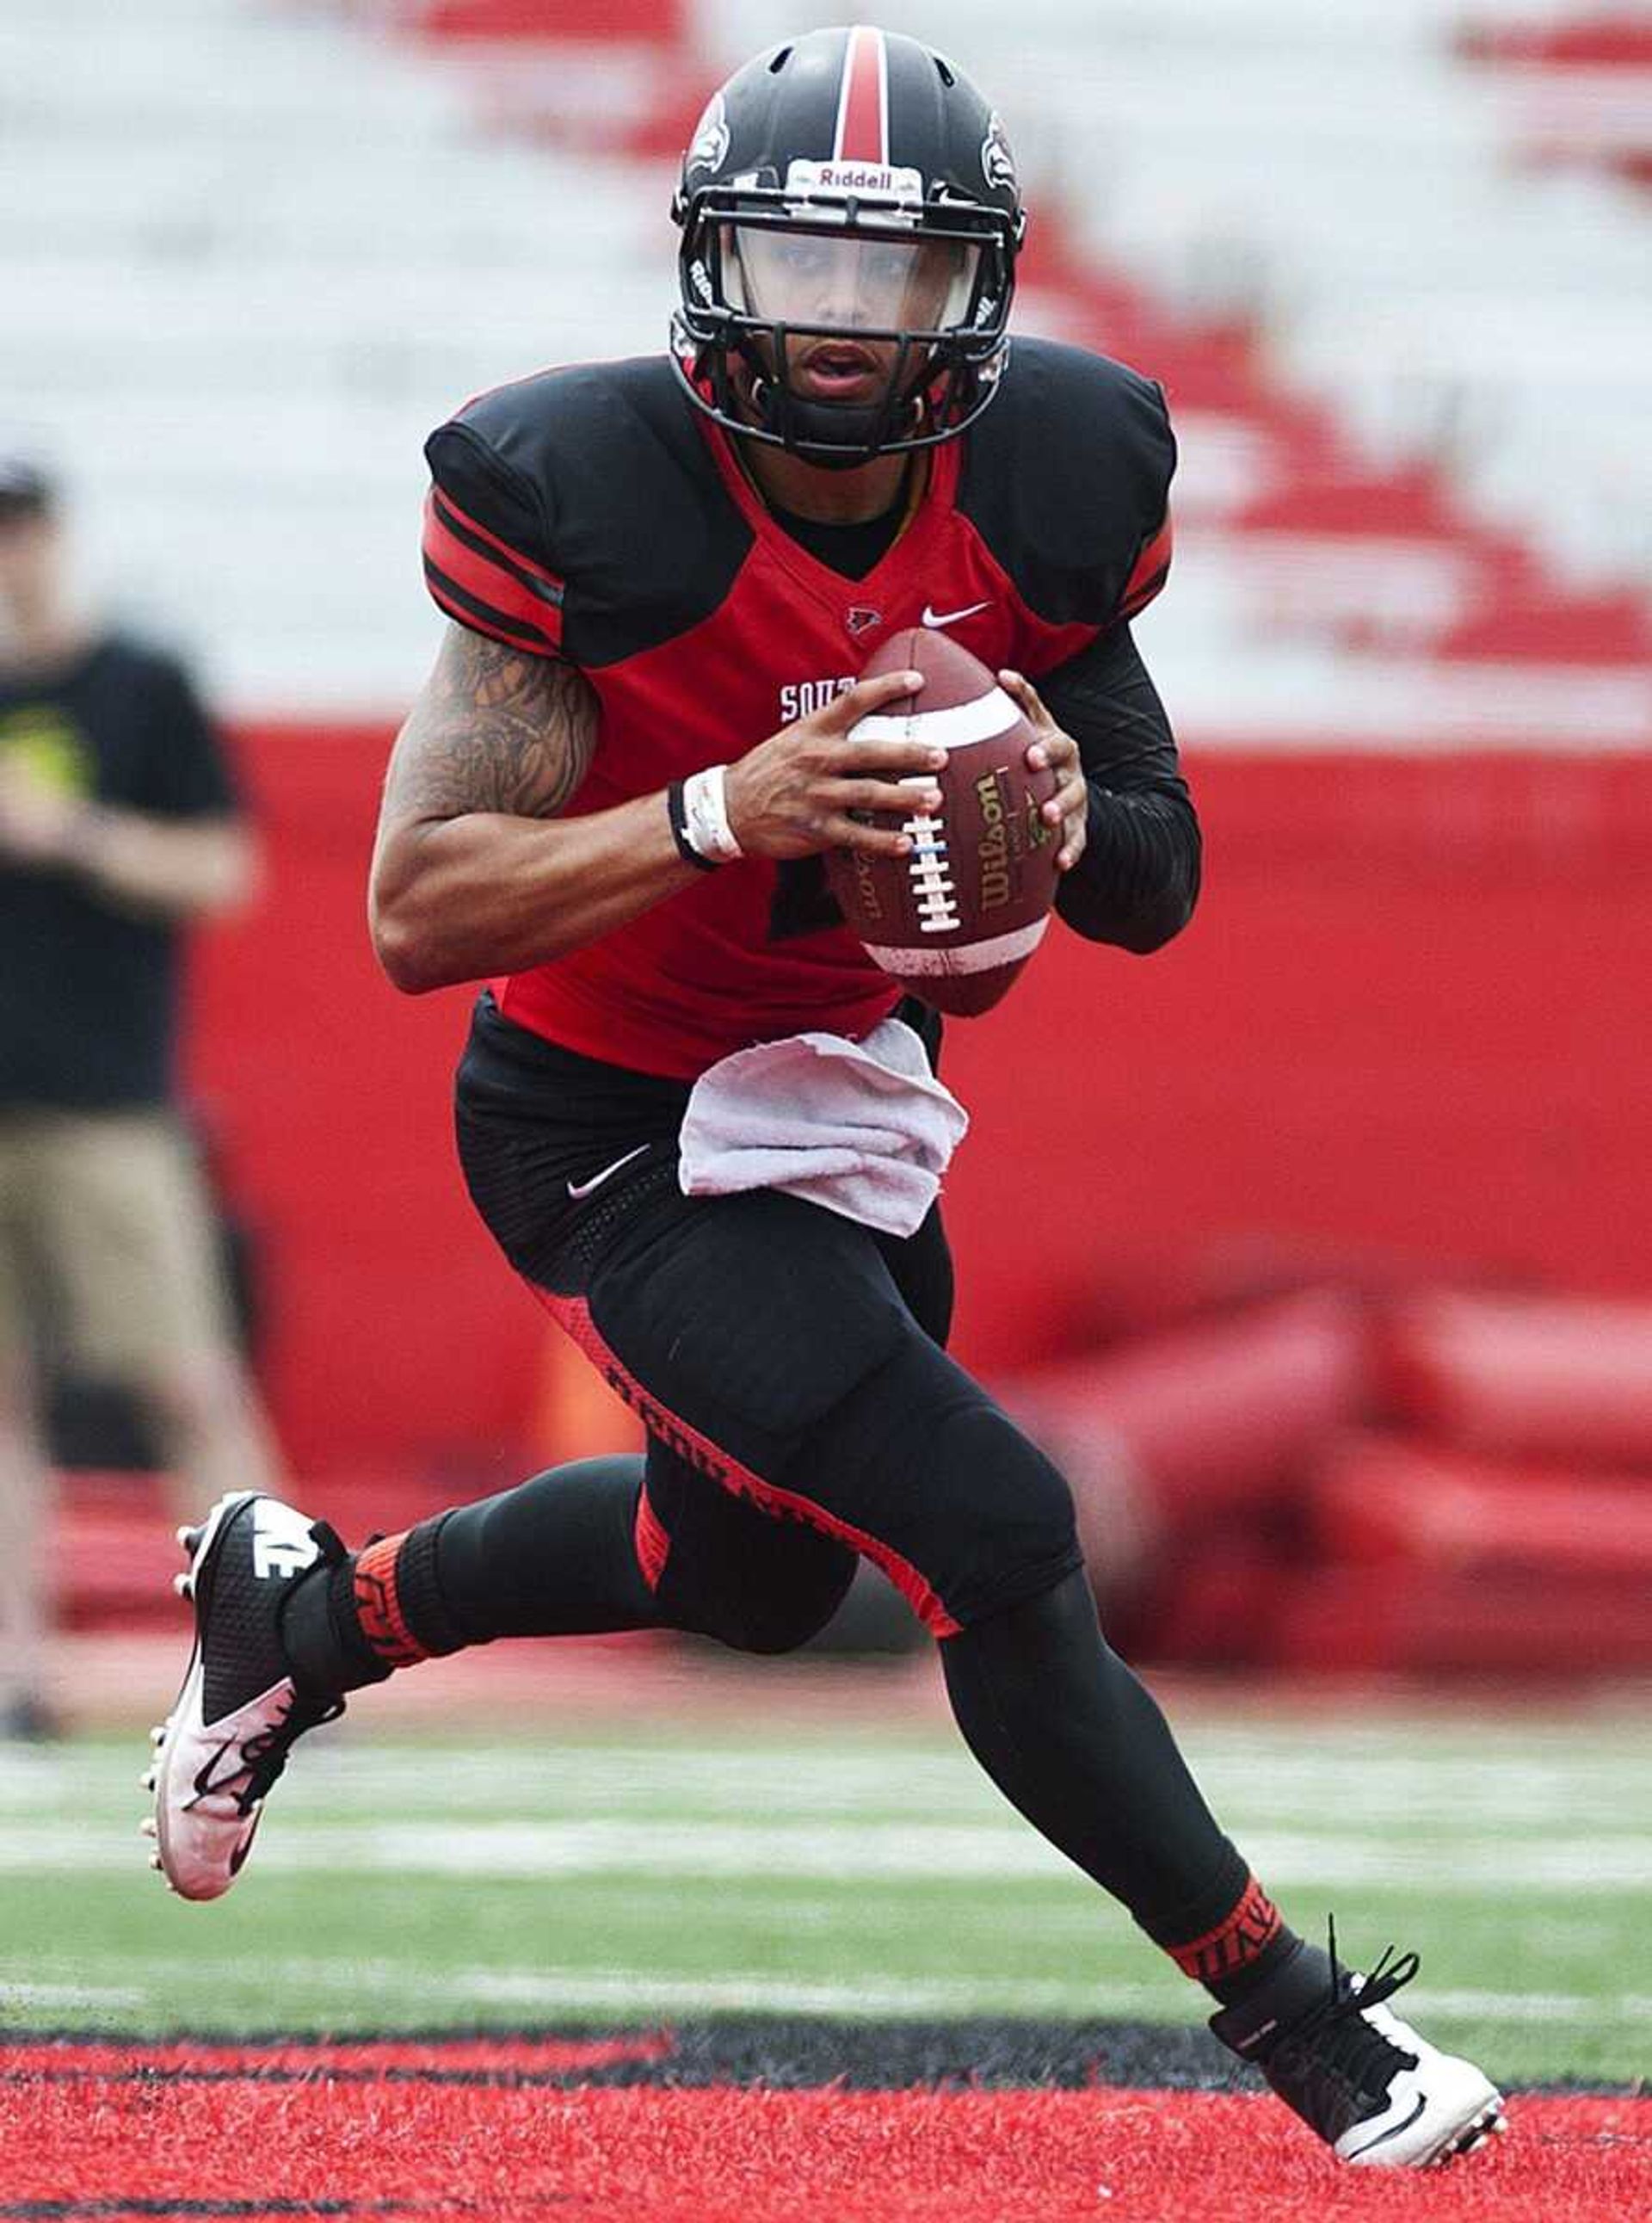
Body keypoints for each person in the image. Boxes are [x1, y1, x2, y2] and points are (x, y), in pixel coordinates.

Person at [145, 28, 1504, 2168]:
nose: (840, 331)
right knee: (994, 1518)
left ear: (978, 297)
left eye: (893, 282)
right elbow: (418, 909)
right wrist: (714, 807)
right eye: (794, 266)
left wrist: (1068, 798)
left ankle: (305, 1616)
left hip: (850, 1098)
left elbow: (1156, 868)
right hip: (608, 1117)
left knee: (753, 1572)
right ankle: (1306, 2021)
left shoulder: (1056, 472)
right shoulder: (580, 493)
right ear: (705, 264)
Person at [0, 452, 286, 1738]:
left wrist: (75, 835)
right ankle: (16, 1677)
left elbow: (226, 870)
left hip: (106, 1101)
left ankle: (283, 1661)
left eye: (19, 531)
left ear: (55, 536)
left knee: (189, 1382)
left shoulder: (137, 685)